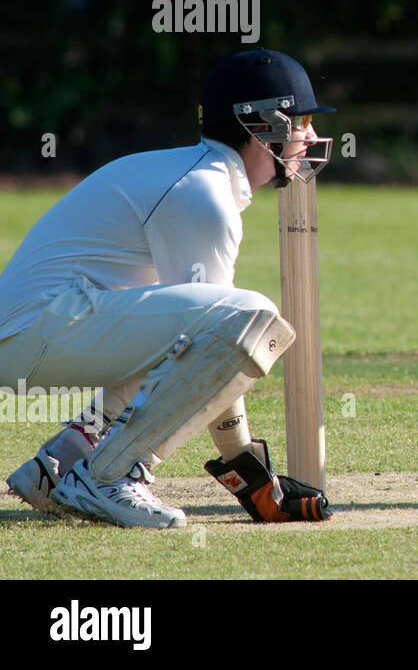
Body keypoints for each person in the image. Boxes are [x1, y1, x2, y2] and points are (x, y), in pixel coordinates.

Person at [1, 49, 335, 527]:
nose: (309, 135)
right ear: (262, 124)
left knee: (193, 329)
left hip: (36, 330)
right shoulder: (205, 194)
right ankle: (109, 476)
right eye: (300, 119)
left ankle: (62, 464)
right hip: (39, 330)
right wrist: (249, 473)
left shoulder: (191, 173)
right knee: (251, 317)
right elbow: (221, 345)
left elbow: (186, 345)